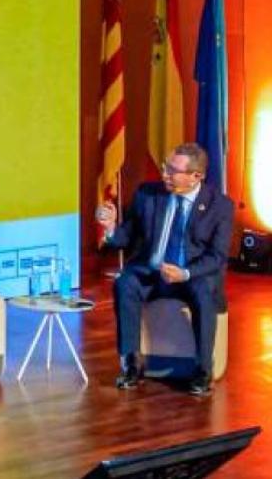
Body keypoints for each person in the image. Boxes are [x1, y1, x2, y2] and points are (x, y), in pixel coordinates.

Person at [97, 142, 233, 396]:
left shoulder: (219, 206)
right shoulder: (148, 194)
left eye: (172, 171)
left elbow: (217, 256)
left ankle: (203, 371)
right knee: (125, 282)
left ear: (196, 176)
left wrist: (185, 273)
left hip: (191, 274)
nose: (165, 175)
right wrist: (110, 228)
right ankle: (131, 364)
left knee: (205, 291)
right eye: (165, 167)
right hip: (152, 271)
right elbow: (127, 236)